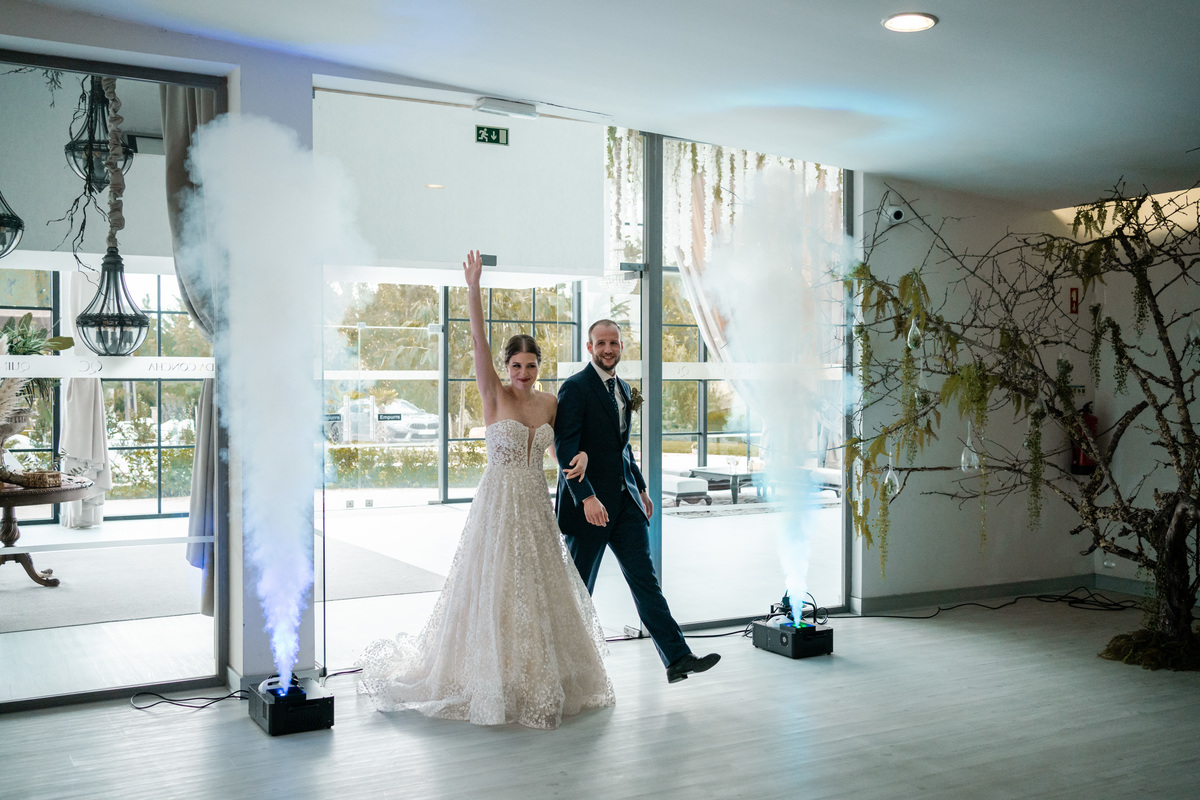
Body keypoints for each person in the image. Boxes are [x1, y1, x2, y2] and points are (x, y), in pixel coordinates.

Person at [357, 251, 614, 729]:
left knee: (534, 592)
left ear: (539, 367)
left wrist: (577, 458)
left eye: (530, 365)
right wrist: (472, 286)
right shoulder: (494, 394)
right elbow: (477, 338)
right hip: (498, 503)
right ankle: (489, 676)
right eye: (516, 365)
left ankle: (530, 674)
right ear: (505, 365)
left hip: (535, 504)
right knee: (494, 586)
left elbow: (558, 449)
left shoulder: (550, 403)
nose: (523, 373)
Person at [554, 319, 721, 684]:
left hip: (626, 505)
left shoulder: (625, 389)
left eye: (613, 342)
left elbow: (622, 448)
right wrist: (587, 498)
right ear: (589, 347)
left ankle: (677, 658)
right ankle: (559, 667)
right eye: (601, 343)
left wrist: (641, 488)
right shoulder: (575, 388)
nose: (608, 349)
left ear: (621, 346)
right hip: (590, 510)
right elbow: (566, 448)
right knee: (577, 589)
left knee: (646, 581)